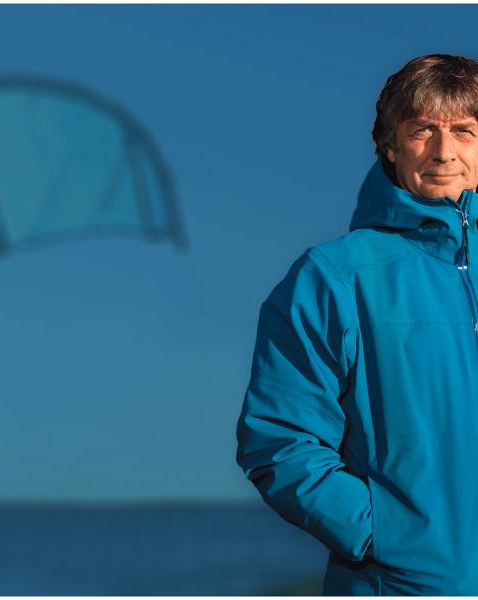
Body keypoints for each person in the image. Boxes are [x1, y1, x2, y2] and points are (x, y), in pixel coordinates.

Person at [235, 53, 478, 596]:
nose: (445, 151)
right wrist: (389, 537)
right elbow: (280, 439)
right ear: (390, 146)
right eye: (423, 130)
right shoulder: (333, 277)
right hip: (402, 584)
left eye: (464, 131)